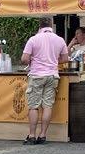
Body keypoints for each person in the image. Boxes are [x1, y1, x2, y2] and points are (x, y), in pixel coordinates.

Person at [20, 16, 69, 144]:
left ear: (39, 25)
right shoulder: (60, 40)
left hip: (37, 75)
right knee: (47, 106)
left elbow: (24, 59)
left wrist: (32, 61)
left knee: (34, 106)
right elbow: (65, 59)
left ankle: (32, 136)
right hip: (52, 75)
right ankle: (42, 135)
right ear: (51, 25)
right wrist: (53, 61)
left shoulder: (33, 39)